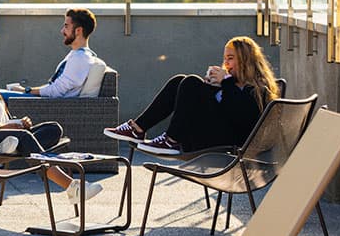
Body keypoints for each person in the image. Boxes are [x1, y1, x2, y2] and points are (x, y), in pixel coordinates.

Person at [0, 45, 102, 204]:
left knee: (53, 129)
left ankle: (8, 147)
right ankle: (71, 186)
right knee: (24, 138)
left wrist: (17, 123)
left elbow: (2, 122)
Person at [104, 36, 280, 155]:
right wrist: (213, 88)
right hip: (209, 135)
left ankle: (171, 140)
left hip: (226, 144)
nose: (226, 63)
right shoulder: (231, 84)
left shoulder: (257, 90)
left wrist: (224, 84)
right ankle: (138, 128)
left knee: (191, 82)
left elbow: (239, 118)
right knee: (180, 81)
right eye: (225, 58)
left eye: (231, 58)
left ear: (245, 60)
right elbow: (222, 107)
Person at [6, 8, 101, 99]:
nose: (62, 31)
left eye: (66, 26)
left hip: (46, 105)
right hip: (46, 102)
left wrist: (26, 90)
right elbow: (56, 87)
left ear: (78, 31)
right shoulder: (79, 55)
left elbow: (56, 91)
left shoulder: (80, 58)